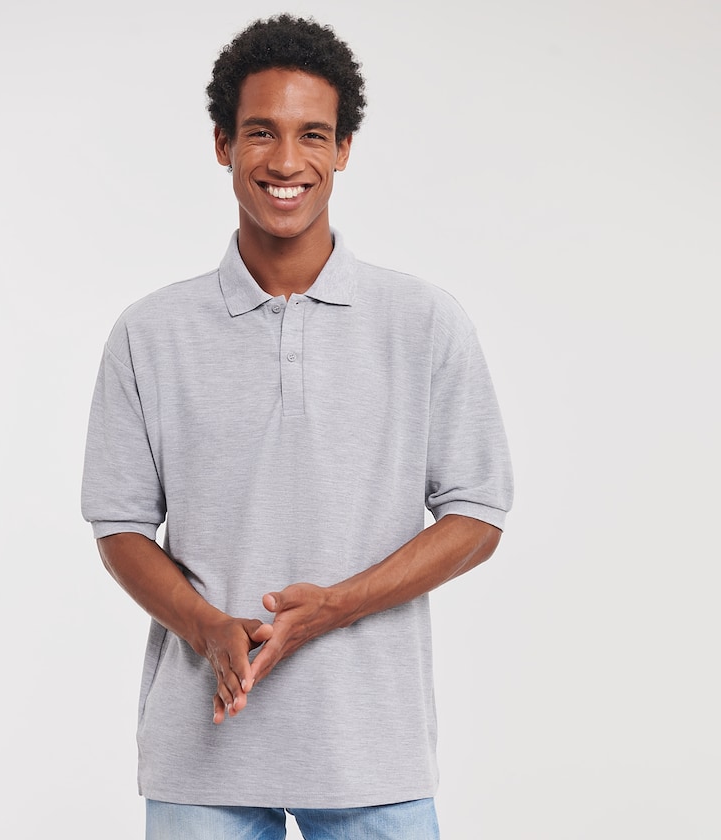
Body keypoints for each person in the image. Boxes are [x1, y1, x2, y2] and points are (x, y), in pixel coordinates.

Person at [82, 13, 513, 840]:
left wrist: (337, 606)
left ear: (343, 149)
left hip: (371, 753)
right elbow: (119, 524)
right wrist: (205, 627)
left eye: (312, 134)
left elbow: (478, 512)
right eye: (261, 132)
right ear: (222, 144)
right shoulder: (150, 332)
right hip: (201, 756)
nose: (286, 162)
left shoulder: (423, 321)